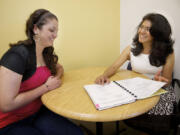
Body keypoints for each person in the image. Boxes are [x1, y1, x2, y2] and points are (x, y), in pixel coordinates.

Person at [0, 9, 84, 135]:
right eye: (51, 30)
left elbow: (60, 68)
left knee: (76, 133)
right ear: (36, 29)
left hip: (37, 112)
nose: (55, 35)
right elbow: (6, 105)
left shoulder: (45, 53)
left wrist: (55, 79)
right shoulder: (17, 55)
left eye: (56, 31)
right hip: (10, 122)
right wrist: (46, 87)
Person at [95, 13, 176, 135]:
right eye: (141, 27)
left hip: (159, 90)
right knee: (117, 100)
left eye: (147, 29)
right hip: (137, 88)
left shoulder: (168, 53)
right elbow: (114, 66)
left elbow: (167, 80)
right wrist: (104, 75)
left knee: (160, 110)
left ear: (157, 33)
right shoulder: (131, 49)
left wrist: (160, 82)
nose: (141, 31)